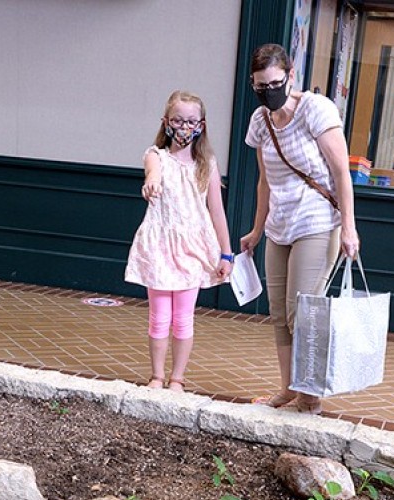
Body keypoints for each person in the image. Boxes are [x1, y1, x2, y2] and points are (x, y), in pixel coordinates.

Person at [241, 43, 360, 413]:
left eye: (275, 83)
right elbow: (265, 182)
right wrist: (257, 230)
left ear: (290, 76)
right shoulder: (260, 121)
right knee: (279, 312)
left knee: (303, 310)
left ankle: (310, 394)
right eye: (261, 87)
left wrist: (350, 229)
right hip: (280, 224)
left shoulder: (316, 109)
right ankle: (289, 387)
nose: (268, 92)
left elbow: (342, 172)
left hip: (317, 221)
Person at [125, 90, 233, 392]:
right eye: (178, 120)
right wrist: (152, 183)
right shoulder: (156, 155)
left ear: (202, 124)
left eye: (191, 121)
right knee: (159, 317)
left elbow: (217, 212)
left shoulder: (206, 164)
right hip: (160, 246)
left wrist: (226, 254)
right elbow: (153, 174)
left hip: (191, 249)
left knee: (183, 318)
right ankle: (157, 376)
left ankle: (177, 378)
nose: (185, 127)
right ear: (166, 122)